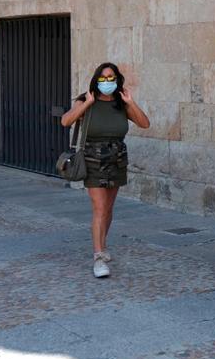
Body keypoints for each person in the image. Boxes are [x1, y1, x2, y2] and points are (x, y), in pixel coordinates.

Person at [60, 62, 150, 279]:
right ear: (96, 79)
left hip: (117, 159)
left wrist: (131, 102)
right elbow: (66, 121)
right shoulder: (86, 100)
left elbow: (144, 123)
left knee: (108, 208)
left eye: (111, 78)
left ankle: (103, 244)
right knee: (99, 208)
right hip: (92, 159)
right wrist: (87, 103)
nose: (107, 82)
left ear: (117, 80)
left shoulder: (121, 103)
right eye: (103, 78)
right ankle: (98, 256)